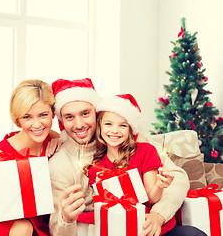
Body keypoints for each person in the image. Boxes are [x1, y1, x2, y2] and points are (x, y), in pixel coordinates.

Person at [48, 77, 207, 236]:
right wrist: (66, 219)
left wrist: (158, 215)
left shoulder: (134, 140)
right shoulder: (60, 164)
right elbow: (57, 227)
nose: (79, 124)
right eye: (69, 117)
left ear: (97, 114)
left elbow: (178, 179)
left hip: (149, 225)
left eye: (85, 113)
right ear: (62, 120)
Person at [0, 79, 61, 236]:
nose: (37, 124)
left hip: (37, 228)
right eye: (27, 117)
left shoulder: (52, 138)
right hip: (1, 230)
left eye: (43, 115)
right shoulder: (0, 156)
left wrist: (61, 141)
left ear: (53, 114)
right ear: (18, 120)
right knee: (23, 226)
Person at [87, 94, 175, 234]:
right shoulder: (96, 168)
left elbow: (151, 199)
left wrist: (160, 185)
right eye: (108, 124)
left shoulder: (146, 151)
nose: (115, 131)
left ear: (130, 129)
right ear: (99, 127)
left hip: (148, 224)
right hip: (120, 227)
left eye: (122, 125)